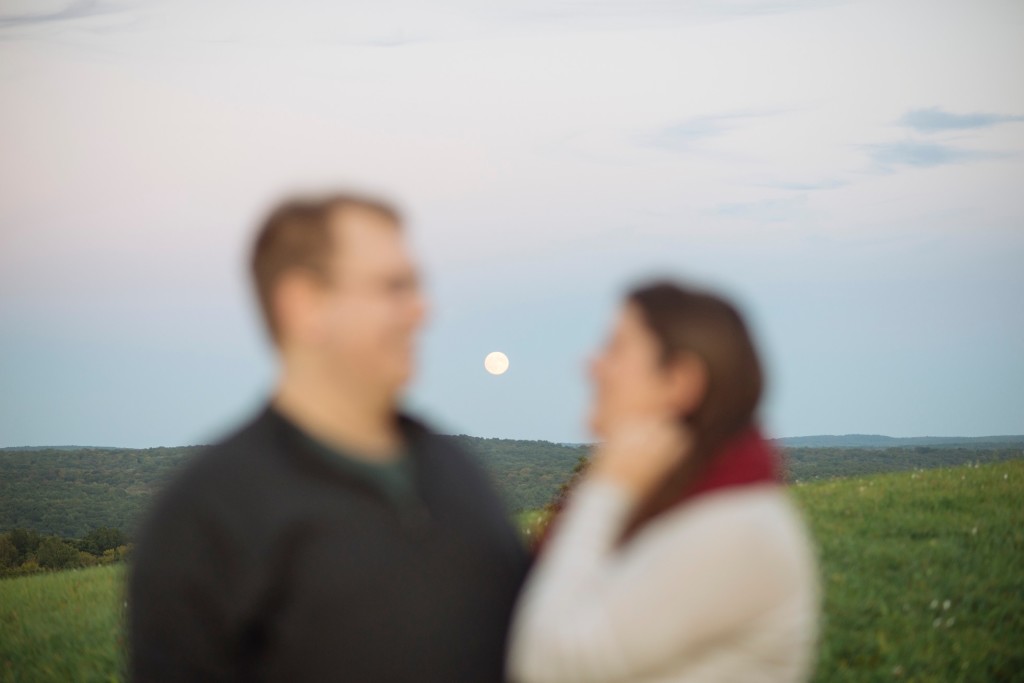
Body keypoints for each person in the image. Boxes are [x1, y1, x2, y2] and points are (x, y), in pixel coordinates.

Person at [128, 193, 531, 682]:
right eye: (393, 287)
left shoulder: (456, 468)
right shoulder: (206, 517)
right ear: (305, 305)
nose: (421, 311)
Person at [506, 280, 821, 683]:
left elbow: (550, 666)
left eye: (616, 348)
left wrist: (605, 490)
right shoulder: (674, 504)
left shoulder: (734, 531)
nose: (592, 365)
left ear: (679, 382)